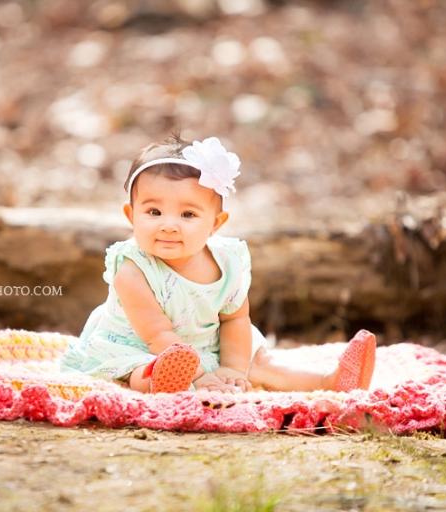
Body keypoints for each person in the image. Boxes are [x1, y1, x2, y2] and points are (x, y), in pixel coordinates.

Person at [61, 135, 376, 394]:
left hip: (211, 343)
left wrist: (233, 370)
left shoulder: (228, 262)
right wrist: (197, 375)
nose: (169, 225)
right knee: (136, 371)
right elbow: (157, 334)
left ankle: (331, 382)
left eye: (188, 215)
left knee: (262, 365)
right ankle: (164, 380)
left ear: (216, 223)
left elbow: (236, 319)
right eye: (154, 212)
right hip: (142, 344)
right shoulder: (132, 270)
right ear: (131, 216)